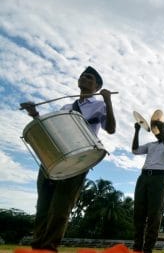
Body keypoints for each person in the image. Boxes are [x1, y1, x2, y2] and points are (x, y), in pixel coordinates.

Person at [20, 66, 116, 252]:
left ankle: (49, 247)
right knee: (43, 206)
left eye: (89, 77)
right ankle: (36, 246)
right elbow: (54, 131)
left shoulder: (99, 105)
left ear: (97, 86)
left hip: (78, 160)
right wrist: (35, 115)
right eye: (82, 75)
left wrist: (108, 101)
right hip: (54, 159)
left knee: (60, 208)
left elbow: (111, 129)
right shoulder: (66, 107)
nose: (84, 78)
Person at [131, 110, 164, 253]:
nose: (158, 130)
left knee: (154, 215)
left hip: (159, 179)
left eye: (162, 128)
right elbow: (135, 150)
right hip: (144, 177)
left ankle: (147, 249)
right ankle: (137, 247)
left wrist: (162, 130)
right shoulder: (151, 145)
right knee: (138, 212)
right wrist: (137, 131)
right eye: (157, 128)